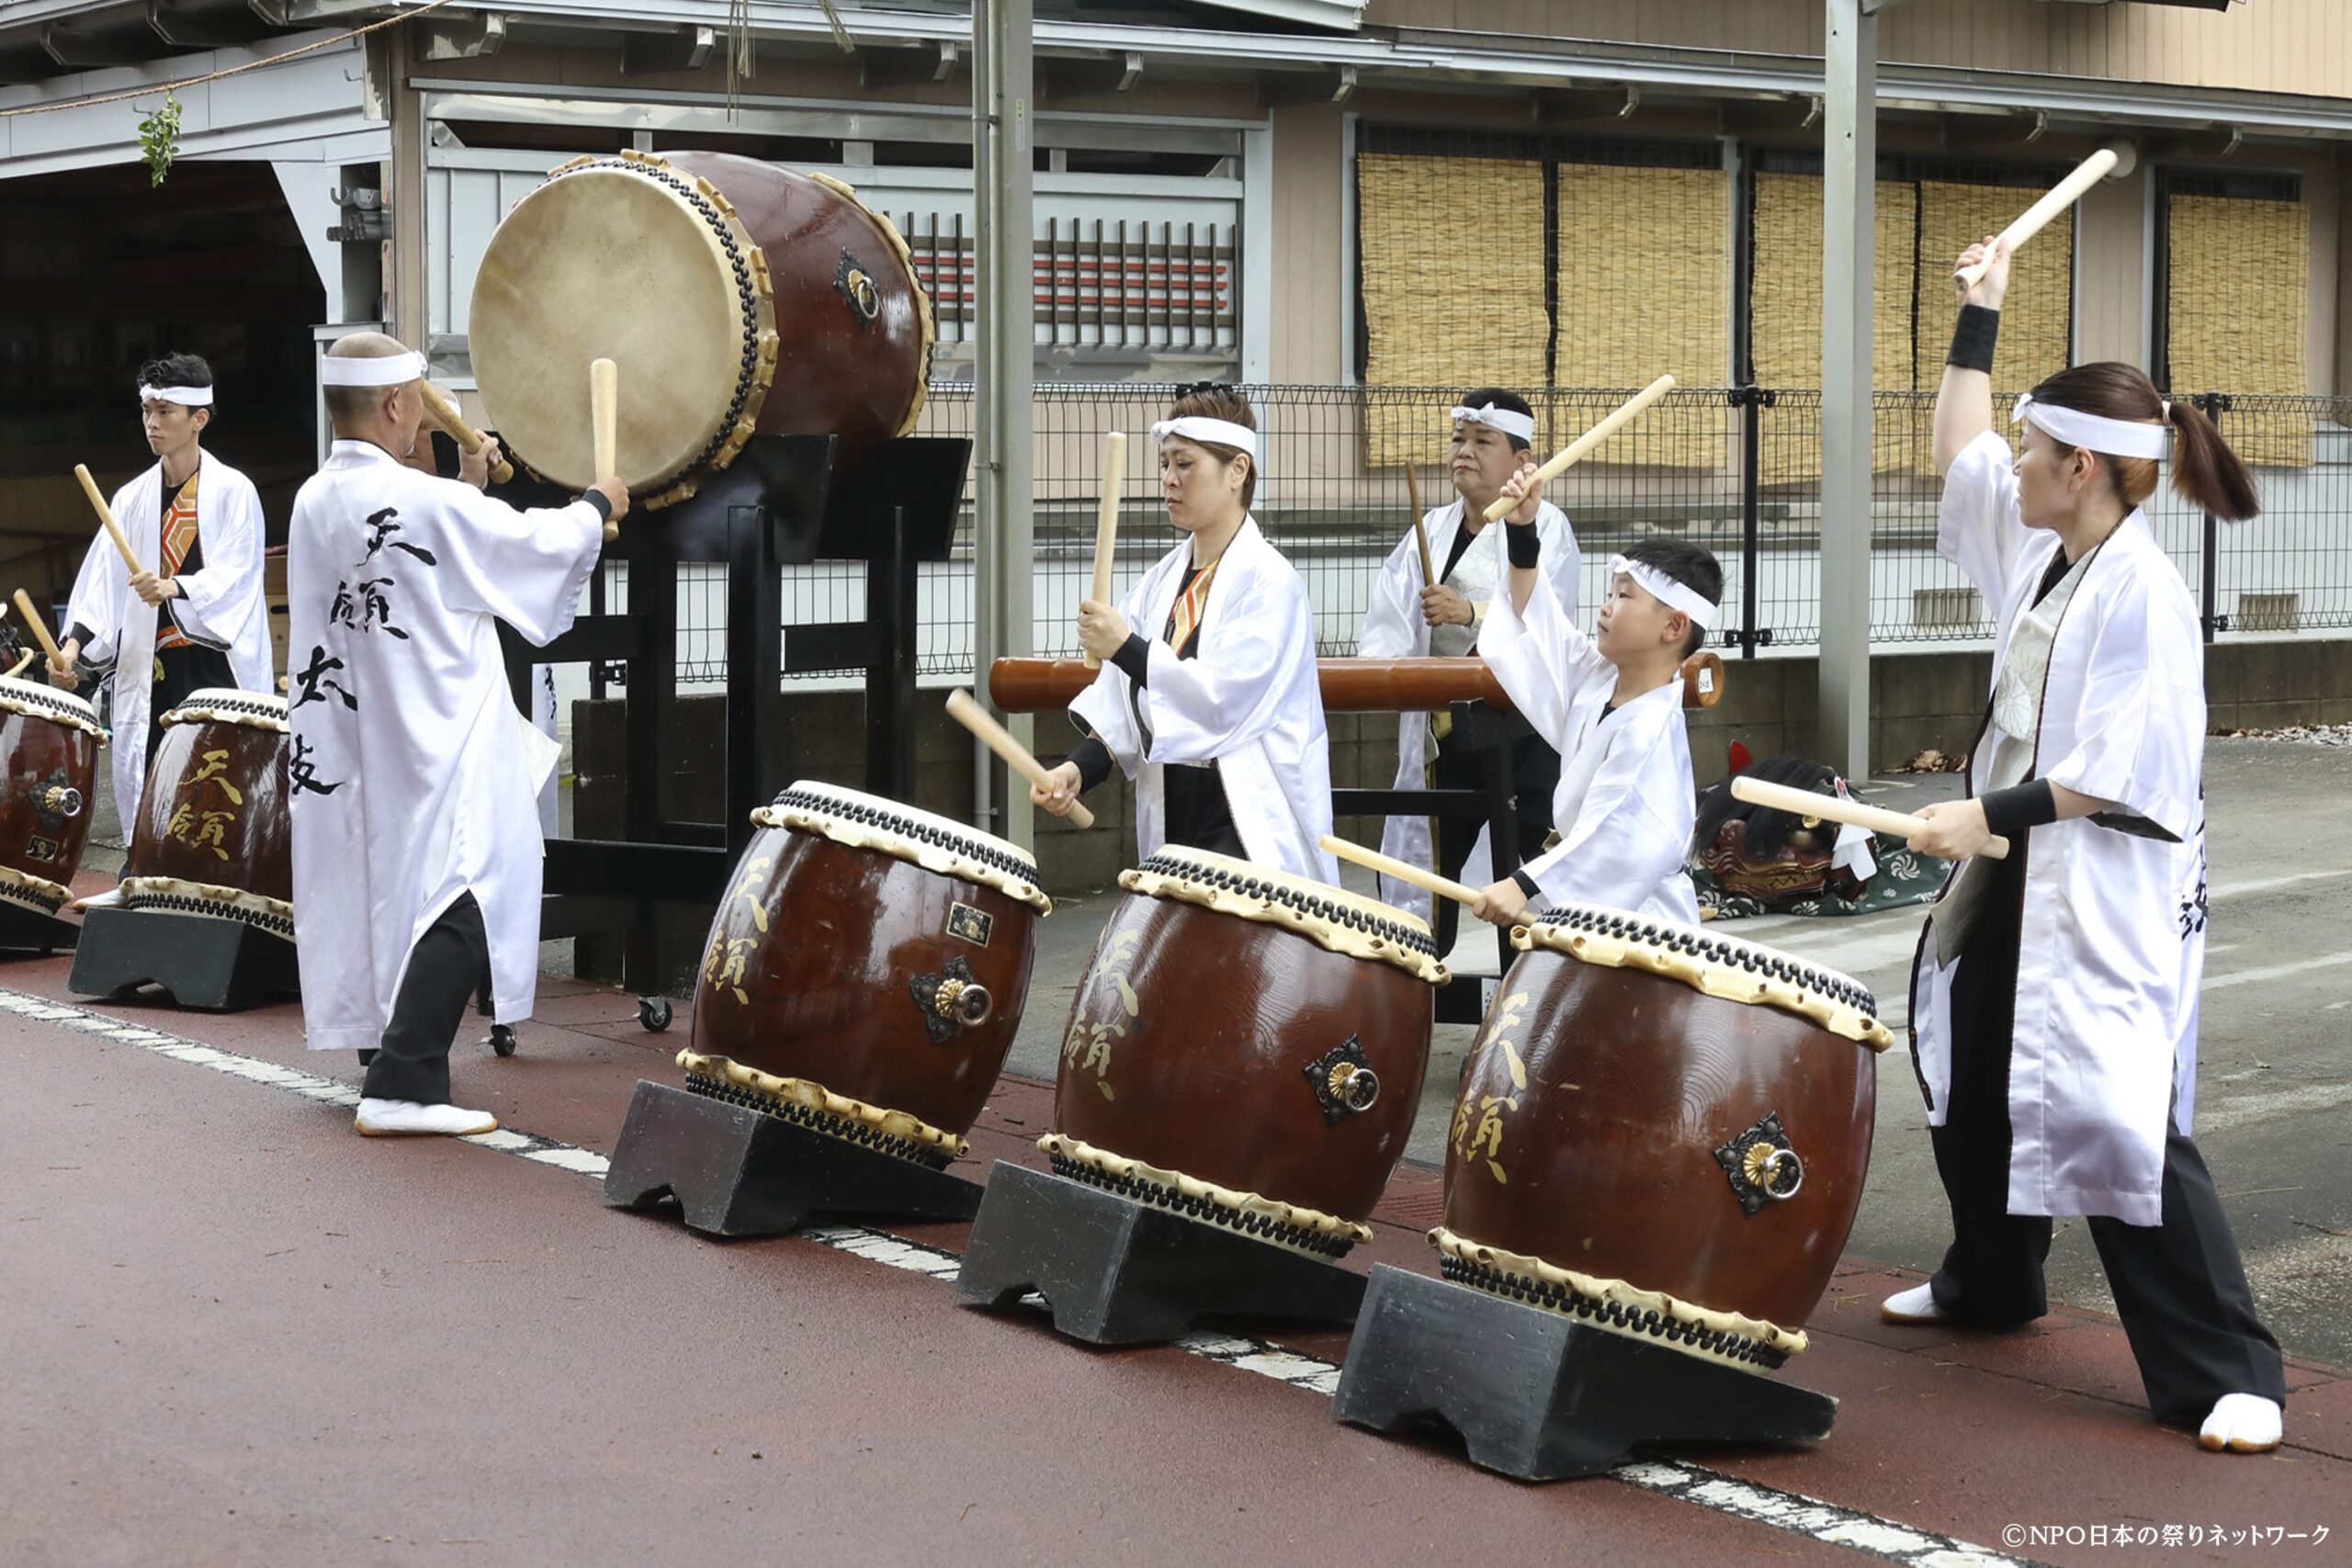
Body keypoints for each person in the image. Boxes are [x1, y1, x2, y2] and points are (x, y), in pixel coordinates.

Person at [1886, 235, 2284, 1456]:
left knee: (2118, 1108)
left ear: (2084, 465)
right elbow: (1952, 448)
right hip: (2011, 856)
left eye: (2029, 449)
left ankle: (2229, 1362)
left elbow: (2125, 772)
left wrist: (1983, 815)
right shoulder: (2046, 547)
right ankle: (1991, 1278)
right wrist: (1981, 313)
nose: (2006, 463)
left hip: (2095, 867)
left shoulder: (2145, 593)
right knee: (1969, 1065)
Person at [288, 333, 626, 1137]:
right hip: (441, 728)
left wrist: (465, 484)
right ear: (400, 405)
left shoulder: (312, 499)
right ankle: (403, 1082)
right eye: (420, 401)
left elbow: (419, 539)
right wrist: (597, 506)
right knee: (476, 877)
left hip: (358, 735)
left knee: (387, 888)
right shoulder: (431, 504)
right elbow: (527, 546)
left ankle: (390, 1054)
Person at [1031, 385, 1337, 882]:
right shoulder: (1158, 584)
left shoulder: (1271, 583)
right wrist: (1075, 772)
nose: (1169, 480)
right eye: (1164, 464)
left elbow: (1221, 700)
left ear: (1237, 470)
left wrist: (1125, 647)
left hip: (1247, 821)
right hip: (1176, 811)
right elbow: (1122, 702)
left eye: (1185, 464)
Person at [1358, 389, 1578, 947]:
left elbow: (1548, 620)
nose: (1465, 451)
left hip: (1521, 732)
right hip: (1443, 734)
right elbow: (1385, 626)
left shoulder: (1547, 527)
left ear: (1522, 461)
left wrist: (1472, 612)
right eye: (1459, 439)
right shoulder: (1428, 530)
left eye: (1484, 441)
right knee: (1431, 869)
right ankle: (1422, 973)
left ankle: (1537, 985)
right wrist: (1392, 669)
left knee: (1530, 863)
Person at [1467, 459, 1719, 929]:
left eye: (1624, 597)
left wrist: (1522, 884)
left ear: (1673, 625)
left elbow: (1615, 833)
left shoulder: (1650, 729)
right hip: (1588, 909)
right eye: (1610, 592)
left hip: (1644, 927)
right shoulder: (1598, 679)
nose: (1606, 606)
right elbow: (1536, 621)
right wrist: (1524, 528)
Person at [50, 355, 271, 826]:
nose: (152, 423)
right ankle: (142, 874)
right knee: (152, 780)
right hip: (151, 670)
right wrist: (70, 651)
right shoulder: (130, 499)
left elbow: (238, 576)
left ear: (199, 419)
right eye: (147, 411)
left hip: (211, 666)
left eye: (165, 412)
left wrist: (172, 586)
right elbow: (100, 588)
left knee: (213, 789)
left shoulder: (235, 491)